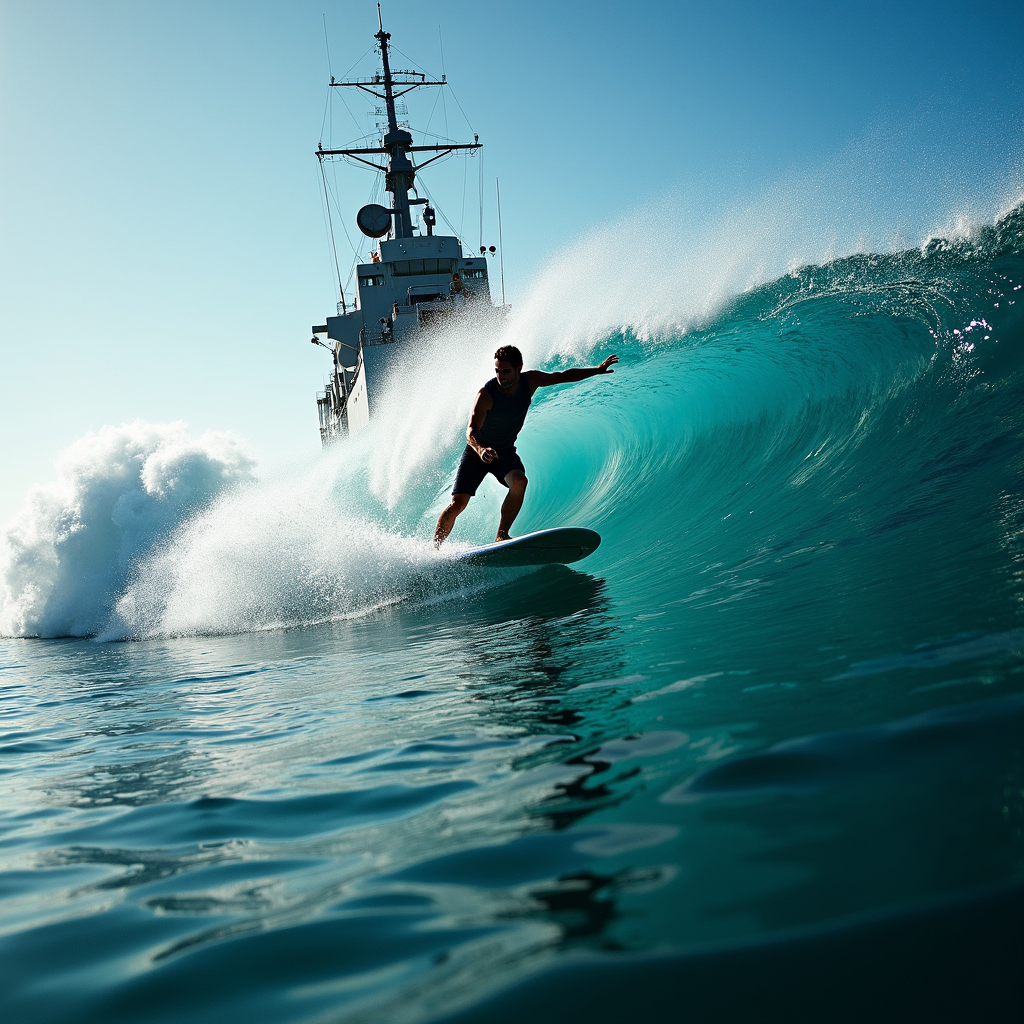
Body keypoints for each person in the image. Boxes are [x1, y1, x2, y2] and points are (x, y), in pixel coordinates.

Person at [434, 345, 619, 546]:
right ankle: (434, 549)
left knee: (520, 482)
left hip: (503, 451)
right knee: (457, 504)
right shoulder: (486, 395)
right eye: (497, 371)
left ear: (519, 368)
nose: (500, 376)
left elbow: (562, 376)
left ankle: (502, 535)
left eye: (506, 371)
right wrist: (481, 450)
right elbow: (470, 431)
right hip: (477, 452)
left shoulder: (530, 381)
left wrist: (597, 370)